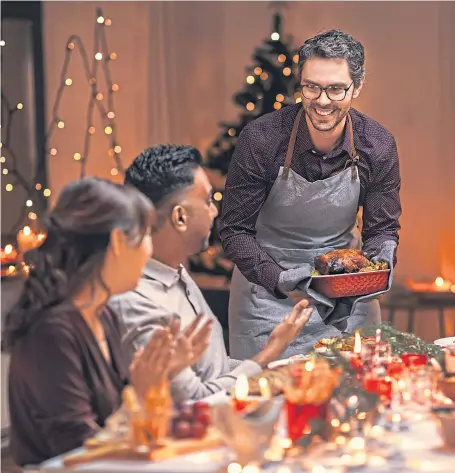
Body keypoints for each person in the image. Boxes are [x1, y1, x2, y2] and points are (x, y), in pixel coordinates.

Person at [219, 29, 401, 359]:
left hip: (345, 301)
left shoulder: (377, 145)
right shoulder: (261, 139)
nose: (322, 101)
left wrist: (378, 264)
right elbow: (234, 231)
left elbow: (381, 230)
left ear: (356, 87)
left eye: (335, 89)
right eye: (311, 87)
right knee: (266, 404)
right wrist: (282, 280)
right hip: (267, 300)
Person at [4, 178, 195, 466]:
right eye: (144, 235)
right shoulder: (52, 334)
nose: (149, 249)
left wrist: (161, 376)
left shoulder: (103, 315)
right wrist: (140, 393)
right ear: (118, 241)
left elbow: (117, 421)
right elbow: (80, 454)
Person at [110, 145, 312, 403]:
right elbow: (194, 399)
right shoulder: (138, 301)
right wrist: (268, 355)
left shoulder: (175, 272)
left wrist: (277, 366)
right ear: (179, 217)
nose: (215, 211)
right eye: (207, 201)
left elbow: (211, 371)